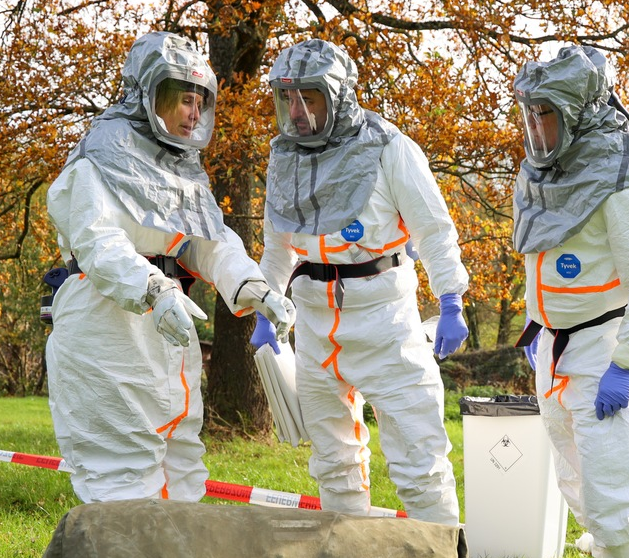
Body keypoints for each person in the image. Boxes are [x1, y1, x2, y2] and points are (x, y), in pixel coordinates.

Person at [44, 31, 294, 503]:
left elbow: (208, 243)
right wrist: (154, 290)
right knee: (120, 475)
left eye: (200, 99)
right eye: (181, 98)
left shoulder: (180, 170)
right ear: (145, 93)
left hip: (166, 333)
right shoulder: (99, 158)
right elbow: (100, 244)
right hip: (107, 330)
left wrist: (257, 288)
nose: (193, 112)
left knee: (182, 467)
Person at [252, 39, 470, 526]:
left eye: (308, 96)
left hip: (384, 319)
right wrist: (269, 307)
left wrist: (450, 297)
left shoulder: (388, 146)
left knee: (419, 455)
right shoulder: (283, 157)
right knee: (333, 461)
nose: (297, 110)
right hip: (313, 322)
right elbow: (279, 247)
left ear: (337, 95)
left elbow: (433, 227)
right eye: (287, 97)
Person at [511, 45, 629, 558]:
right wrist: (538, 323)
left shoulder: (627, 176)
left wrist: (626, 363)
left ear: (579, 110)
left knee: (613, 480)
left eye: (546, 113)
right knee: (577, 477)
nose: (536, 128)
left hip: (609, 347)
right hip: (558, 347)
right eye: (529, 114)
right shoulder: (547, 170)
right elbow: (553, 261)